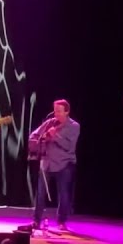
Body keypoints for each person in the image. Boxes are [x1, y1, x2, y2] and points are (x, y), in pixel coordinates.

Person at [30, 99, 80, 232]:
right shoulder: (49, 122)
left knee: (63, 194)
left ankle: (62, 221)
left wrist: (55, 136)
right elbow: (33, 135)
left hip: (64, 164)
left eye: (58, 111)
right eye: (54, 110)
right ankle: (36, 220)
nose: (55, 113)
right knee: (40, 193)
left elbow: (69, 147)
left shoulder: (74, 126)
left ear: (67, 112)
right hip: (46, 163)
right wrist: (37, 140)